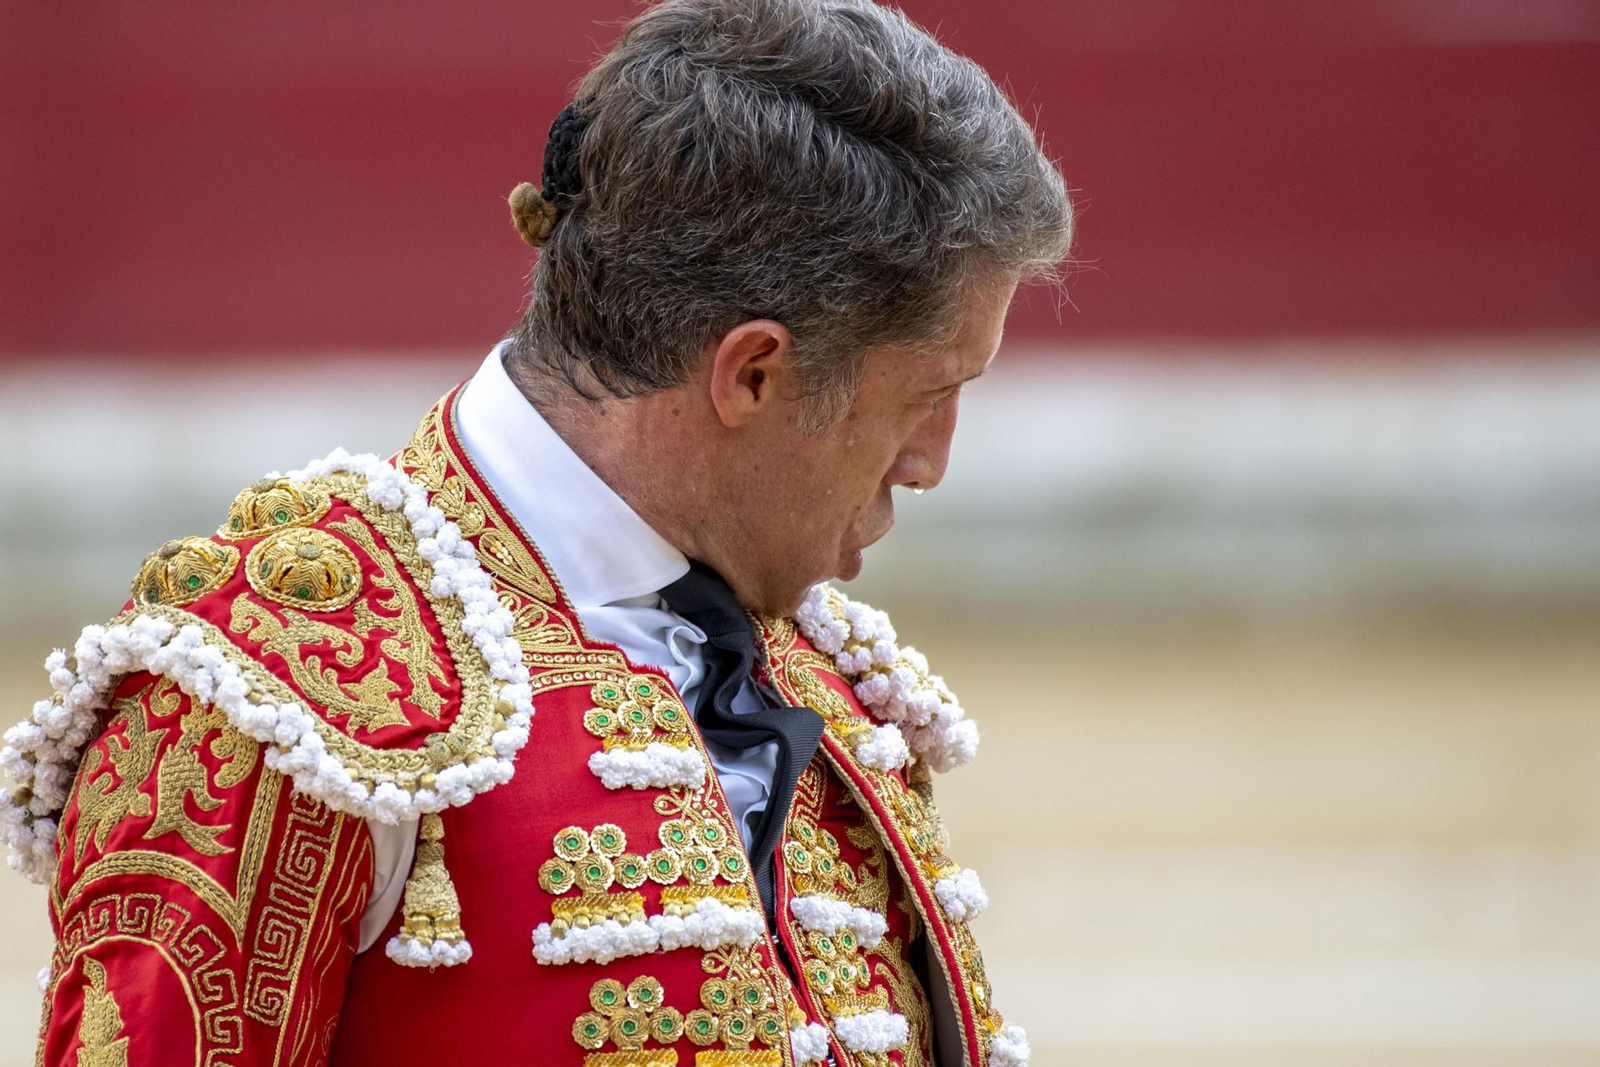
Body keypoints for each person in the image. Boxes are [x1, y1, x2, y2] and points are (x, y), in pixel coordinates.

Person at [3, 0, 1071, 1063]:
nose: (931, 459)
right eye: (931, 392)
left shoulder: (825, 676)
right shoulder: (274, 704)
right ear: (752, 372)